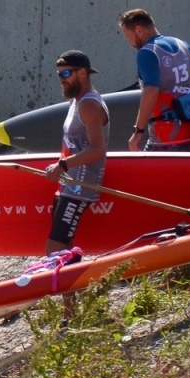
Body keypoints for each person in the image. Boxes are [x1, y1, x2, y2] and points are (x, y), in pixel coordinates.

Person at [41, 51, 111, 254]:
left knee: (54, 248)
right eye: (59, 74)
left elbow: (97, 149)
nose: (61, 80)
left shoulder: (89, 104)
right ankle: (71, 284)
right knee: (64, 250)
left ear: (82, 73)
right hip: (68, 184)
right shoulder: (76, 101)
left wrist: (63, 165)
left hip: (80, 187)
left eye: (66, 74)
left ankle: (59, 284)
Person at [119, 8, 190, 151]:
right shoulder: (182, 45)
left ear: (138, 30)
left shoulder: (147, 52)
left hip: (166, 137)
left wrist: (138, 131)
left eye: (128, 37)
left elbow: (151, 90)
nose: (130, 42)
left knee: (146, 172)